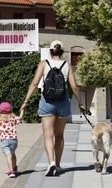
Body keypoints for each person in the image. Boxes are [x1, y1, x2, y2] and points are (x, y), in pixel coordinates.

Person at [19, 40, 87, 176]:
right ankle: (59, 165)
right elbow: (74, 87)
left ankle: (51, 162)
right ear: (62, 51)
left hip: (47, 102)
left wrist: (26, 101)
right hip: (63, 102)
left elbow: (34, 83)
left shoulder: (44, 64)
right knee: (60, 135)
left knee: (48, 135)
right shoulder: (67, 65)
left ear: (50, 51)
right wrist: (80, 104)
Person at [0, 102, 20, 178]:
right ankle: (14, 168)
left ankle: (11, 171)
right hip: (14, 141)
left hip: (4, 141)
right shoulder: (13, 118)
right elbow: (19, 119)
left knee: (8, 155)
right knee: (13, 154)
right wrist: (23, 110)